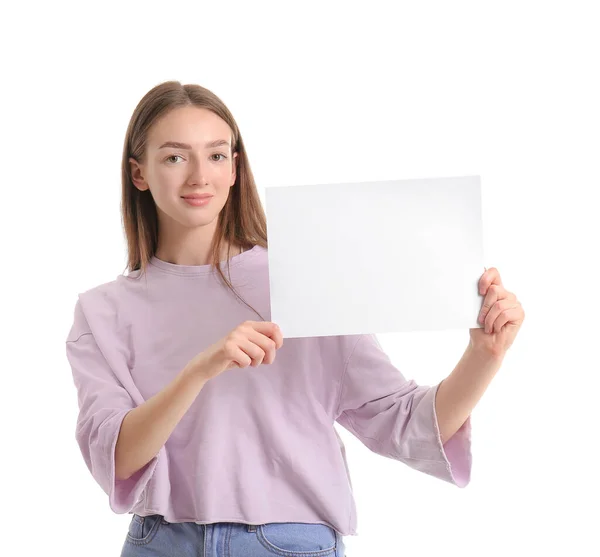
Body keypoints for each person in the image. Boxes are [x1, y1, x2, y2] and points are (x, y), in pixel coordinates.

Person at [65, 80, 474, 557]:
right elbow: (117, 458)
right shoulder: (102, 312)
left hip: (286, 543)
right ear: (139, 173)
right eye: (175, 157)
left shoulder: (305, 282)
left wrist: (485, 354)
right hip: (161, 543)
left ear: (235, 168)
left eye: (216, 155)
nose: (199, 175)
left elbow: (403, 421)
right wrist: (200, 370)